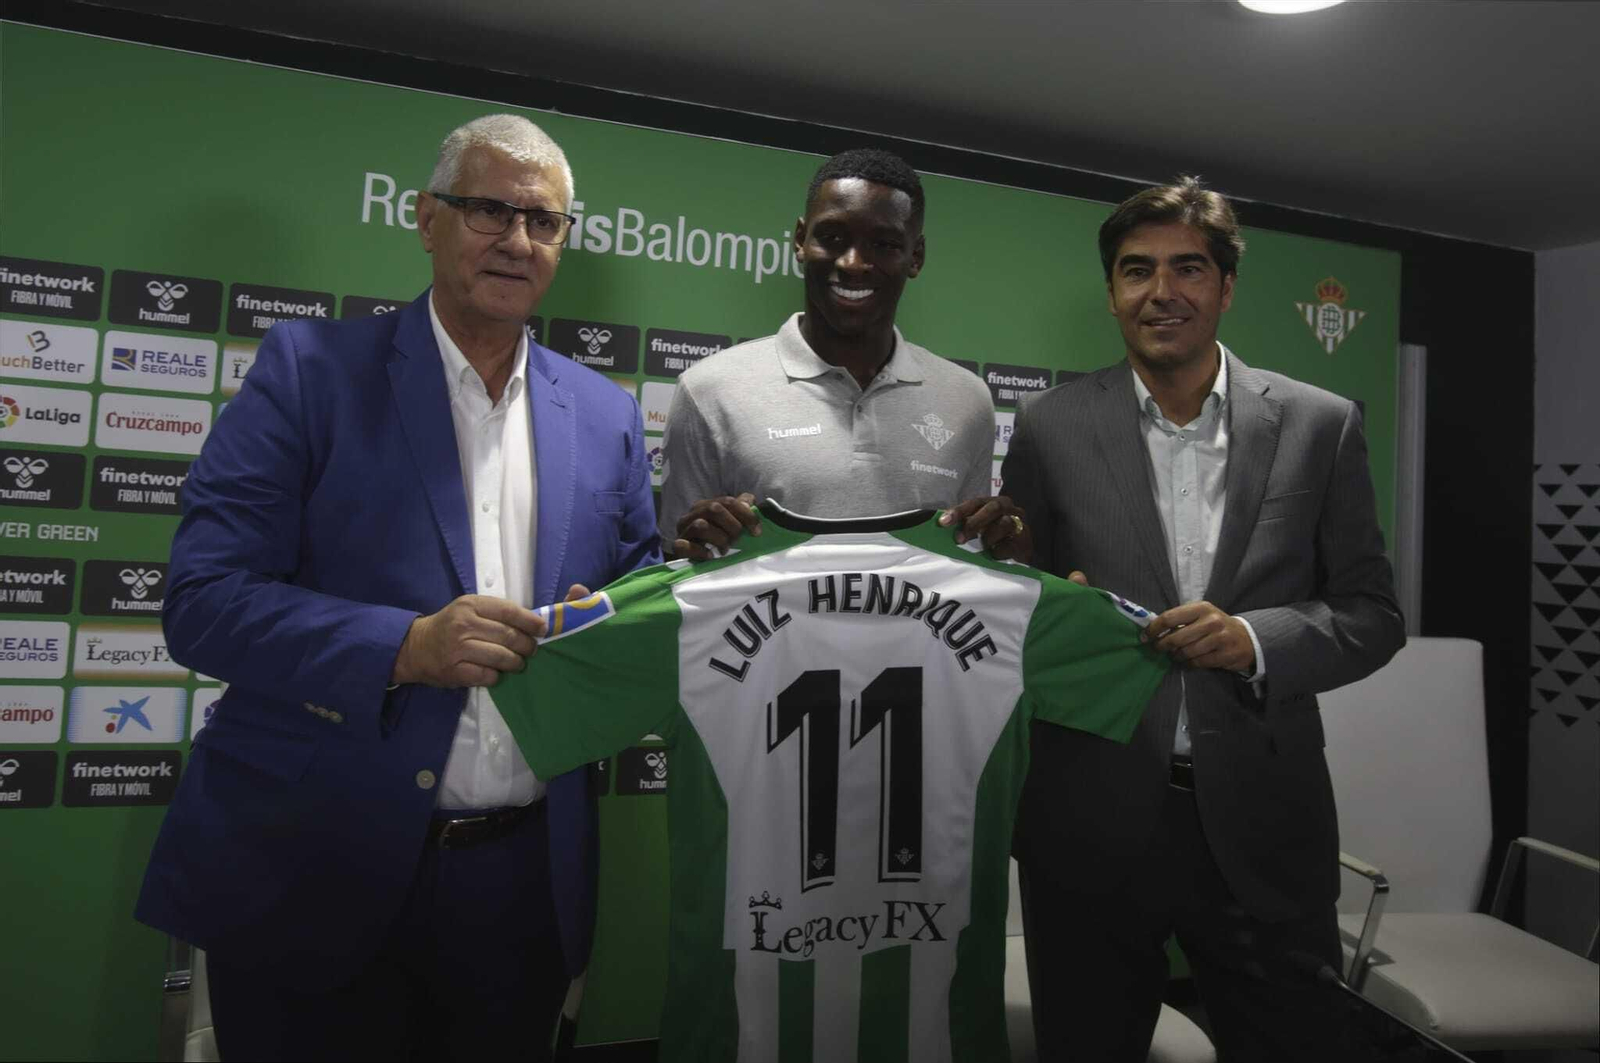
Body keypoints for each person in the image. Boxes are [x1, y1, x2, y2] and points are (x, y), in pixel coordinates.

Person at [135, 114, 660, 1061]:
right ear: (426, 218)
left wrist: (676, 587)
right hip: (312, 874)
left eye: (543, 221)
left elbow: (633, 602)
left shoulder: (606, 415)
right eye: (489, 210)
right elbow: (202, 601)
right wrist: (406, 647)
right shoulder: (310, 372)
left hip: (520, 893)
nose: (517, 240)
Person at [979, 176, 1406, 1060]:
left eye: (1188, 268)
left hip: (1264, 825)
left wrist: (1253, 639)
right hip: (1088, 820)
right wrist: (1040, 591)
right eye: (1137, 270)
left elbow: (1373, 613)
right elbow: (1021, 607)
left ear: (1226, 286)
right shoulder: (1051, 426)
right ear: (1111, 291)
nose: (1161, 291)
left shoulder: (1319, 425)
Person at [658, 147, 1025, 556]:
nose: (853, 263)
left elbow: (968, 565)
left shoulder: (968, 400)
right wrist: (696, 546)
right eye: (832, 238)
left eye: (884, 244)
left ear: (916, 256)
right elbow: (678, 566)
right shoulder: (708, 390)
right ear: (801, 240)